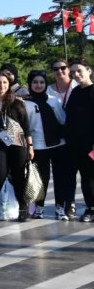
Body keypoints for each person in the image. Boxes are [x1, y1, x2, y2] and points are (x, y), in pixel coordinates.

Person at [0, 71, 33, 222]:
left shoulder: (17, 102)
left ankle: (23, 210)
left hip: (18, 144)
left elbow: (26, 126)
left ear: (9, 84)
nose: (1, 85)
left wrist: (30, 146)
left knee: (19, 177)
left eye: (4, 82)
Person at [23, 70, 65, 219]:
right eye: (35, 82)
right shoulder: (26, 103)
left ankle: (60, 207)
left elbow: (62, 120)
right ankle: (39, 207)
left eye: (41, 82)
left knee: (60, 177)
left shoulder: (54, 100)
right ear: (30, 84)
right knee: (41, 178)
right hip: (38, 146)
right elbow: (26, 127)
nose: (38, 85)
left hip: (58, 144)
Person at [63, 61, 94, 222]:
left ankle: (91, 208)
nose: (76, 75)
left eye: (79, 71)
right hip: (74, 143)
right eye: (73, 72)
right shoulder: (75, 91)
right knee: (75, 175)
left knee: (90, 177)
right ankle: (79, 206)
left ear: (89, 71)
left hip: (90, 143)